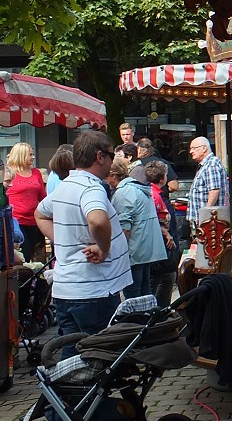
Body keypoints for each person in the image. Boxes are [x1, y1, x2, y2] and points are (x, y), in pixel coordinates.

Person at [35, 130, 132, 356]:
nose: (112, 161)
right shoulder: (91, 188)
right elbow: (97, 220)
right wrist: (103, 248)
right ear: (100, 157)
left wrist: (63, 239)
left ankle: (62, 392)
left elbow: (39, 214)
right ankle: (78, 392)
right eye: (111, 155)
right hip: (93, 290)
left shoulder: (65, 186)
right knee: (97, 356)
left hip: (66, 290)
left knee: (72, 353)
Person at [109, 159, 164, 298]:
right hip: (144, 249)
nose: (105, 181)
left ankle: (137, 320)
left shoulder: (124, 192)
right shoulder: (136, 188)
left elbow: (124, 228)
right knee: (145, 290)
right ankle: (146, 318)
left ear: (113, 175)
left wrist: (116, 252)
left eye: (106, 176)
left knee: (133, 294)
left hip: (134, 250)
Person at [144, 160, 178, 308]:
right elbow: (157, 219)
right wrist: (167, 234)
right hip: (160, 246)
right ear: (163, 179)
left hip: (159, 246)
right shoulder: (155, 195)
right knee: (159, 281)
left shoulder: (153, 193)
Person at [5, 142, 47, 262]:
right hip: (16, 221)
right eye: (30, 154)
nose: (33, 157)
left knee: (33, 255)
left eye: (33, 154)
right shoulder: (10, 173)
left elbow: (42, 196)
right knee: (25, 254)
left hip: (34, 221)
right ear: (21, 155)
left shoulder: (36, 173)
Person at [188, 137, 228, 234]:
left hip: (208, 222)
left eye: (194, 148)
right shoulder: (206, 165)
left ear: (204, 148)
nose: (191, 151)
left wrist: (205, 215)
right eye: (190, 148)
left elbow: (214, 190)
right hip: (204, 220)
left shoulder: (211, 165)